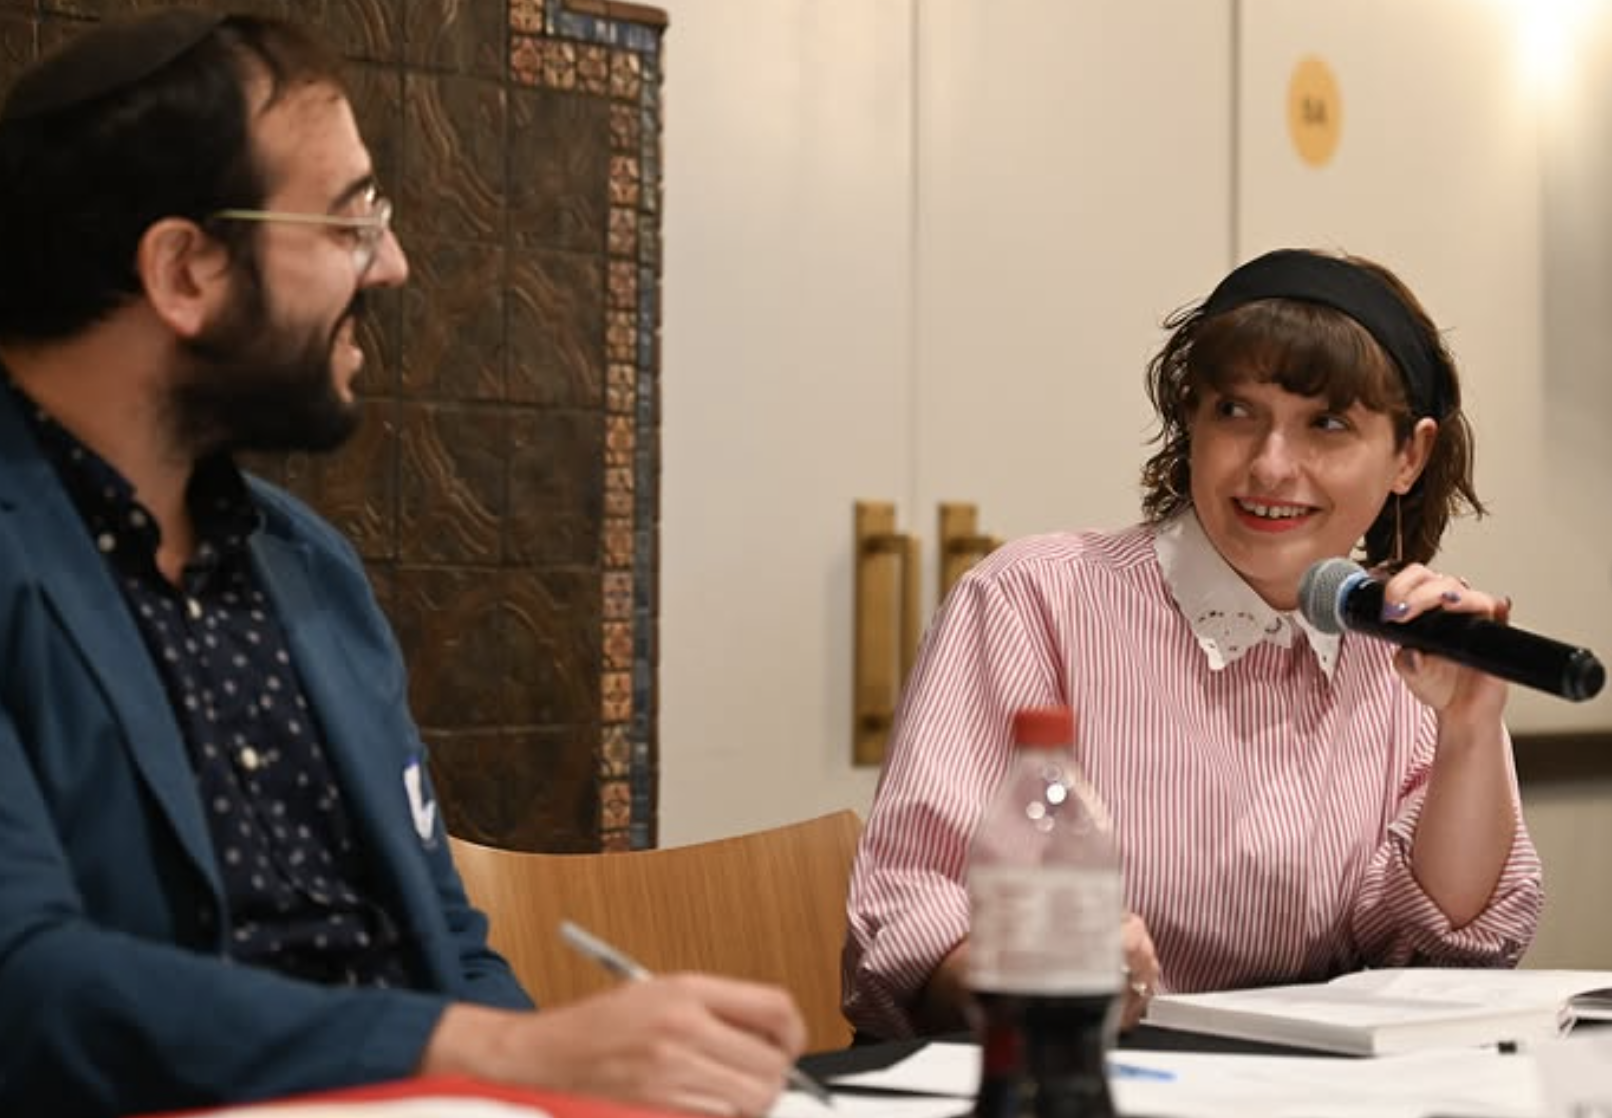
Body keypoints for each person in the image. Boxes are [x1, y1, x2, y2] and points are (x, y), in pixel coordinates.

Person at [0, 11, 803, 1117]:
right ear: (185, 268)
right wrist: (515, 1056)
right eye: (347, 223)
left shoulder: (306, 565)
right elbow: (30, 988)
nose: (393, 262)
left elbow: (448, 946)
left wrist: (562, 1086)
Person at [842, 248, 1545, 1041]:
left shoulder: (1408, 643)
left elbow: (1445, 951)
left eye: (1329, 424)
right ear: (1191, 421)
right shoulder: (1035, 599)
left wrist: (1468, 730)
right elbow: (908, 906)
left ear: (1408, 456)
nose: (1272, 467)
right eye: (1236, 412)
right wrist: (1031, 980)